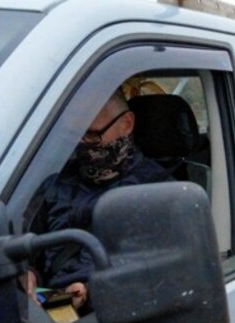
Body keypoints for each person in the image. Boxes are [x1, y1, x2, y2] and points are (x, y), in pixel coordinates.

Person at [33, 89, 172, 311]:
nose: (83, 144)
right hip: (44, 312)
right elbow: (27, 245)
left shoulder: (160, 194)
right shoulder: (55, 183)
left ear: (126, 124)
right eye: (76, 134)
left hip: (106, 320)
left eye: (92, 135)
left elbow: (160, 280)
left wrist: (90, 292)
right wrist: (27, 276)